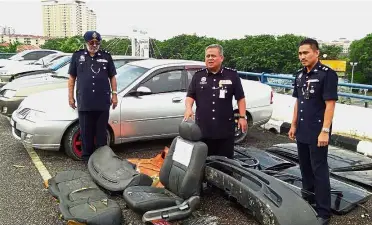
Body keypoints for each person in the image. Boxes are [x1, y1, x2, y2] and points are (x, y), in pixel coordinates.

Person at [288, 38, 338, 225]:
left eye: (306, 53)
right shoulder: (300, 75)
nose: (302, 56)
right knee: (305, 167)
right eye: (300, 53)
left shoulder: (327, 74)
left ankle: (323, 212)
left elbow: (330, 104)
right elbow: (298, 102)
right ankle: (308, 201)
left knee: (319, 170)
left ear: (316, 53)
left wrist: (325, 130)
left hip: (318, 131)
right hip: (302, 128)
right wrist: (293, 125)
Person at [184, 44, 247, 158]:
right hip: (203, 129)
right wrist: (188, 108)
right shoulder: (198, 76)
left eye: (213, 56)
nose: (210, 58)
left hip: (224, 129)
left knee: (225, 163)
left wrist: (242, 117)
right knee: (204, 161)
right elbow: (190, 96)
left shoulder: (231, 75)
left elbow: (240, 98)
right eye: (207, 56)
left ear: (221, 58)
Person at [68, 30, 118, 161]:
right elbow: (72, 78)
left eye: (97, 43)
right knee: (86, 133)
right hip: (85, 101)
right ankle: (87, 160)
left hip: (102, 102)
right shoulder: (77, 56)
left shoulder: (106, 56)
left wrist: (114, 95)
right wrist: (70, 96)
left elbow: (112, 77)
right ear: (86, 42)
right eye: (91, 42)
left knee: (101, 133)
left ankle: (101, 161)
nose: (94, 45)